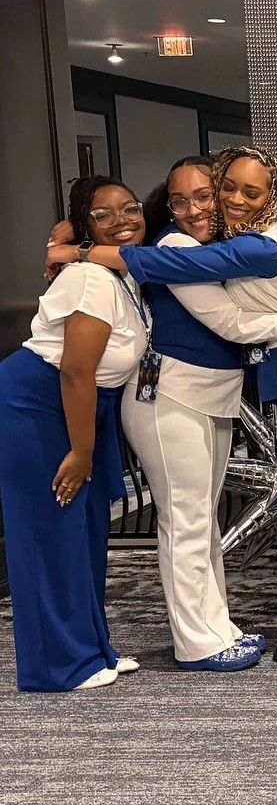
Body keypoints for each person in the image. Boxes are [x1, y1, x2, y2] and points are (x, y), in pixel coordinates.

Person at [49, 147, 277, 668]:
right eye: (225, 190)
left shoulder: (260, 246)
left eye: (245, 192)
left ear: (274, 196)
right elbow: (169, 259)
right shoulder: (212, 240)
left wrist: (82, 249)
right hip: (276, 380)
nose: (229, 201)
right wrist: (75, 240)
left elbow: (192, 278)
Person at [0, 178, 150, 691]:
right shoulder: (90, 279)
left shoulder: (118, 273)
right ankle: (57, 666)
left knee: (85, 533)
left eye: (130, 208)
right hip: (43, 402)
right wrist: (82, 450)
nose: (123, 219)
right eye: (104, 215)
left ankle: (90, 649)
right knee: (49, 532)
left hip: (81, 404)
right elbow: (75, 371)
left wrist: (63, 242)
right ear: (86, 226)